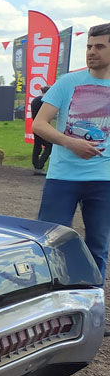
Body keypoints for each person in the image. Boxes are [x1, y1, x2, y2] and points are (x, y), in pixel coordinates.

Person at [34, 22, 110, 279]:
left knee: (98, 247)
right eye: (89, 46)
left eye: (99, 46)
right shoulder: (68, 82)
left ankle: (91, 299)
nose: (91, 52)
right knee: (48, 242)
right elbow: (39, 124)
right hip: (62, 177)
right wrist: (69, 142)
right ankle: (49, 298)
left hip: (104, 180)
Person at [31, 85, 52, 175]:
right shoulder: (44, 102)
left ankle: (36, 166)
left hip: (35, 125)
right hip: (42, 126)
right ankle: (40, 165)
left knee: (37, 146)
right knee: (49, 146)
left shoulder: (35, 100)